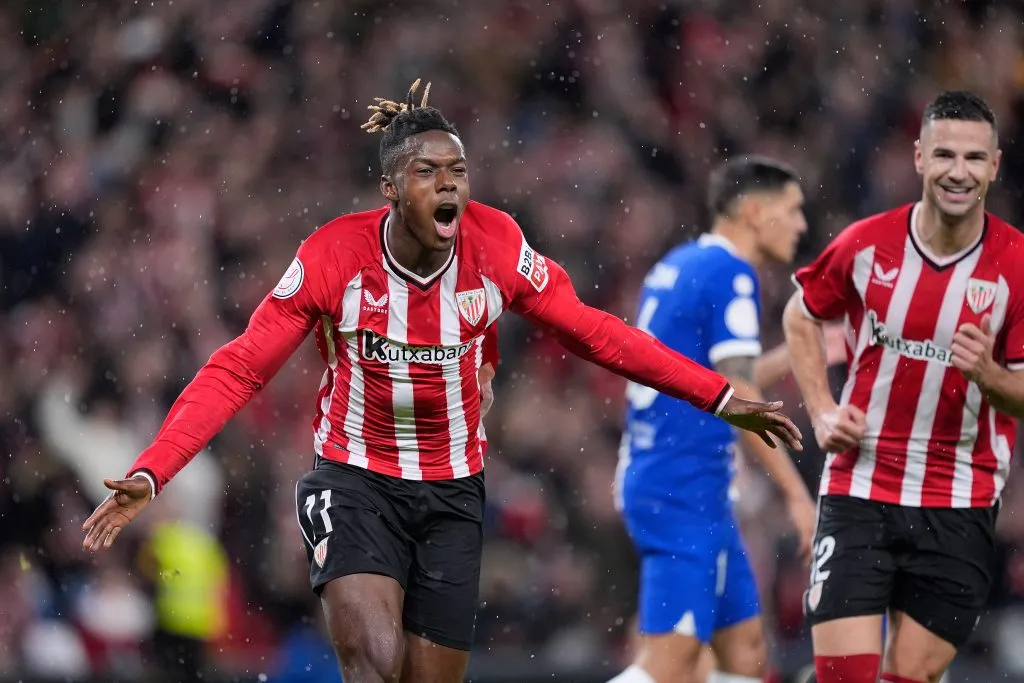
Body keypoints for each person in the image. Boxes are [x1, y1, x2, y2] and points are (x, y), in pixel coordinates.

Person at [81, 80, 803, 683]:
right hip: (354, 478)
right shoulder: (333, 256)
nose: (449, 182)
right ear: (391, 186)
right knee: (373, 663)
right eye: (429, 172)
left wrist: (716, 393)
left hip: (454, 492)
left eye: (458, 170)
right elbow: (239, 366)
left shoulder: (499, 248)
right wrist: (155, 468)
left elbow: (594, 331)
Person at [783, 90, 1024, 683]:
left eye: (974, 158)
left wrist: (988, 376)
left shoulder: (1018, 265)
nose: (958, 173)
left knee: (910, 676)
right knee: (844, 675)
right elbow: (801, 314)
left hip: (959, 500)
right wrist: (821, 410)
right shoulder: (866, 243)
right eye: (945, 156)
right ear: (919, 158)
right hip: (861, 485)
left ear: (994, 166)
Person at [609, 156, 836, 683]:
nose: (802, 225)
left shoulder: (680, 264)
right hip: (680, 487)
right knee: (671, 665)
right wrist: (797, 496)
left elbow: (726, 374)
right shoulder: (731, 272)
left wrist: (810, 351)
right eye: (793, 210)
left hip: (683, 483)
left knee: (746, 652)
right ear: (755, 212)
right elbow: (739, 392)